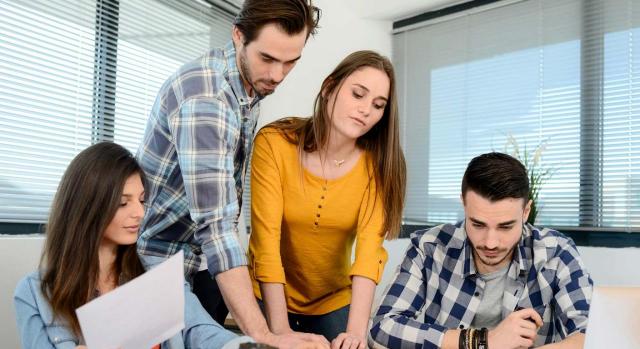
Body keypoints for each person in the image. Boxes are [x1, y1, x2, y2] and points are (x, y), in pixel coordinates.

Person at [136, 0, 327, 347]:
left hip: (197, 260)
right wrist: (265, 336)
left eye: (290, 62)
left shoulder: (247, 86)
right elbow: (217, 228)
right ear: (238, 35)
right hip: (155, 259)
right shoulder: (206, 97)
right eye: (267, 58)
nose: (277, 75)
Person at [14, 142, 244, 349]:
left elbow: (200, 330)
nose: (140, 212)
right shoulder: (34, 294)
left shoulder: (159, 273)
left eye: (141, 200)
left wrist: (248, 345)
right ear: (87, 207)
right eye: (123, 203)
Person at [248, 50, 407, 349]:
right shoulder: (274, 143)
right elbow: (265, 243)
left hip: (331, 299)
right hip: (265, 291)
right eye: (358, 94)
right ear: (329, 87)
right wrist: (280, 331)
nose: (365, 110)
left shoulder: (378, 167)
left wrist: (357, 334)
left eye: (377, 105)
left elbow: (368, 255)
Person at [370, 152, 594, 349]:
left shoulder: (557, 253)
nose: (490, 242)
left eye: (506, 226)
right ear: (464, 204)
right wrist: (482, 341)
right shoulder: (429, 247)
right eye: (478, 224)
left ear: (526, 212)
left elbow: (592, 335)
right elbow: (382, 327)